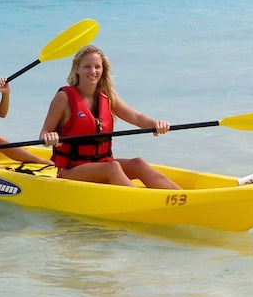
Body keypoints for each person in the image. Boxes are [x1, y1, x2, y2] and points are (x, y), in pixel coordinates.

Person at [39, 45, 181, 189]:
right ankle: (142, 202)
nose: (93, 71)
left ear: (102, 69)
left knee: (138, 163)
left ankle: (181, 197)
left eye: (97, 67)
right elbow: (44, 133)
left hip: (102, 164)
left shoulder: (106, 96)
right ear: (77, 69)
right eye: (87, 66)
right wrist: (50, 138)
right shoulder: (64, 97)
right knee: (112, 167)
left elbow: (137, 117)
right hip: (71, 169)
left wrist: (156, 125)